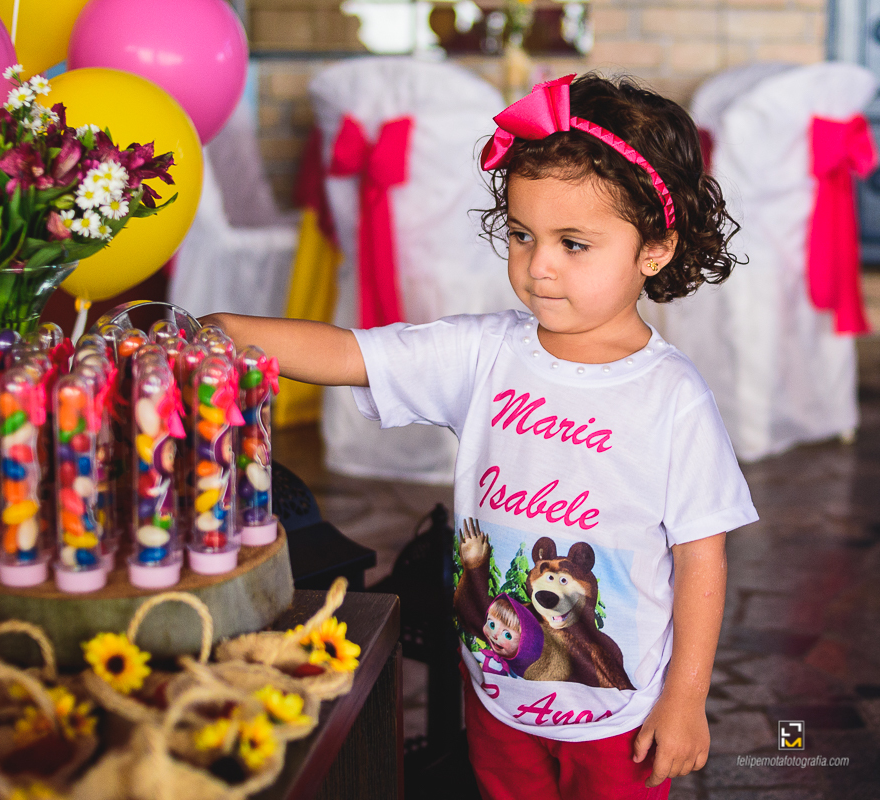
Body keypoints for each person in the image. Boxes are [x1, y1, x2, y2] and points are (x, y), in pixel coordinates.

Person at [204, 72, 758, 798]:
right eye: (523, 235)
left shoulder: (673, 398)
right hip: (498, 688)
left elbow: (701, 558)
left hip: (620, 716)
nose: (539, 266)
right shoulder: (482, 355)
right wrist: (226, 333)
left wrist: (686, 700)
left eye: (574, 243)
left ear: (653, 249)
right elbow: (348, 353)